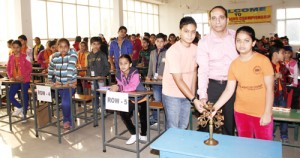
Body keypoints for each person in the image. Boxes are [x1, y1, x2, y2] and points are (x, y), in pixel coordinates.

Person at [211, 26, 274, 140]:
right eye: (238, 40)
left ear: (253, 42)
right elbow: (229, 90)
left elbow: (270, 89)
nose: (242, 44)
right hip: (241, 113)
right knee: (244, 148)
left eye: (246, 40)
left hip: (261, 112)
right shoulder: (234, 64)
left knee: (264, 149)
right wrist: (215, 108)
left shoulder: (263, 60)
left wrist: (267, 112)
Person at [197, 6, 238, 135]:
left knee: (229, 125)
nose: (217, 21)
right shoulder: (204, 42)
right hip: (212, 86)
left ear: (227, 19)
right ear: (209, 21)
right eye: (213, 18)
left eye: (221, 17)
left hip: (233, 86)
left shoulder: (236, 37)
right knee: (206, 125)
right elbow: (202, 70)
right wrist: (203, 95)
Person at [162, 16, 203, 129]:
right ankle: (168, 147)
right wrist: (194, 99)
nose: (190, 35)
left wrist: (192, 94)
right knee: (173, 128)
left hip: (187, 95)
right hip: (172, 95)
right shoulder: (173, 51)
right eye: (186, 31)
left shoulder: (196, 49)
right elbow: (178, 79)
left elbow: (194, 72)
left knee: (183, 126)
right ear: (180, 31)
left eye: (193, 32)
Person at [110, 54, 147, 145]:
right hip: (129, 98)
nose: (123, 66)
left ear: (130, 64)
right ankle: (134, 133)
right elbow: (120, 84)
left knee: (142, 118)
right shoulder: (118, 74)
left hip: (141, 97)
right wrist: (116, 87)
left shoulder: (135, 72)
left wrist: (119, 88)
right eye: (120, 63)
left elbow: (132, 87)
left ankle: (143, 134)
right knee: (123, 113)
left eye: (125, 63)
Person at [47, 38, 78, 129]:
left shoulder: (72, 55)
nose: (63, 49)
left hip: (70, 84)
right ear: (57, 47)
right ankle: (69, 120)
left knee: (65, 103)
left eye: (65, 47)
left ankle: (66, 120)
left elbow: (70, 68)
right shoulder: (55, 56)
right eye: (60, 47)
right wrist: (50, 80)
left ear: (68, 47)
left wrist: (68, 81)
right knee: (65, 102)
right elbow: (51, 68)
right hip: (59, 85)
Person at [269, 43, 291, 143]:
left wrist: (284, 77)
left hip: (283, 94)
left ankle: (284, 134)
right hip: (271, 95)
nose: (284, 55)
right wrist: (274, 77)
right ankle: (271, 134)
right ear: (275, 54)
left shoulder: (282, 66)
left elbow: (289, 79)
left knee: (284, 115)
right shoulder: (267, 66)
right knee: (271, 115)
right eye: (282, 53)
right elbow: (262, 82)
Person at [7, 40, 32, 120]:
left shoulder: (25, 56)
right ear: (12, 48)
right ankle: (20, 107)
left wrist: (22, 76)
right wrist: (11, 76)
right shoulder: (11, 57)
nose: (16, 49)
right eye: (14, 47)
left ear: (21, 48)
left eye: (17, 47)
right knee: (10, 95)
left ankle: (24, 114)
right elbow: (8, 69)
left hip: (24, 80)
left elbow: (29, 68)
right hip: (15, 80)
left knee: (23, 96)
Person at [146, 33, 167, 125]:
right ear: (155, 42)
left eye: (161, 41)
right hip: (155, 81)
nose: (159, 43)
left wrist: (164, 77)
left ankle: (168, 120)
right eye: (157, 41)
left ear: (165, 42)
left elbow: (170, 67)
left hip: (165, 81)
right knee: (156, 99)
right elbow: (150, 65)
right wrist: (148, 76)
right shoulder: (152, 53)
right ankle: (155, 118)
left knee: (166, 101)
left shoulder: (168, 53)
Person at [86, 37, 110, 110]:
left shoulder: (103, 55)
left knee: (102, 94)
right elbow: (88, 67)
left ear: (100, 45)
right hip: (93, 78)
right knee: (94, 94)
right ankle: (95, 109)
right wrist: (89, 76)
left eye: (98, 44)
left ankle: (103, 110)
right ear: (91, 45)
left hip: (101, 79)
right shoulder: (89, 55)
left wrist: (102, 76)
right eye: (94, 44)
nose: (96, 46)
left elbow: (107, 67)